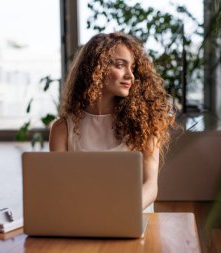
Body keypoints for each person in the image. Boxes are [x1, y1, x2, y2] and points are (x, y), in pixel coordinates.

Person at [49, 32, 174, 211]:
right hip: (83, 217)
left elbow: (150, 185)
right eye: (120, 65)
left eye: (132, 67)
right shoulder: (61, 129)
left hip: (132, 216)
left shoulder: (145, 124)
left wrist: (121, 211)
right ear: (95, 68)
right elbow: (59, 188)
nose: (130, 75)